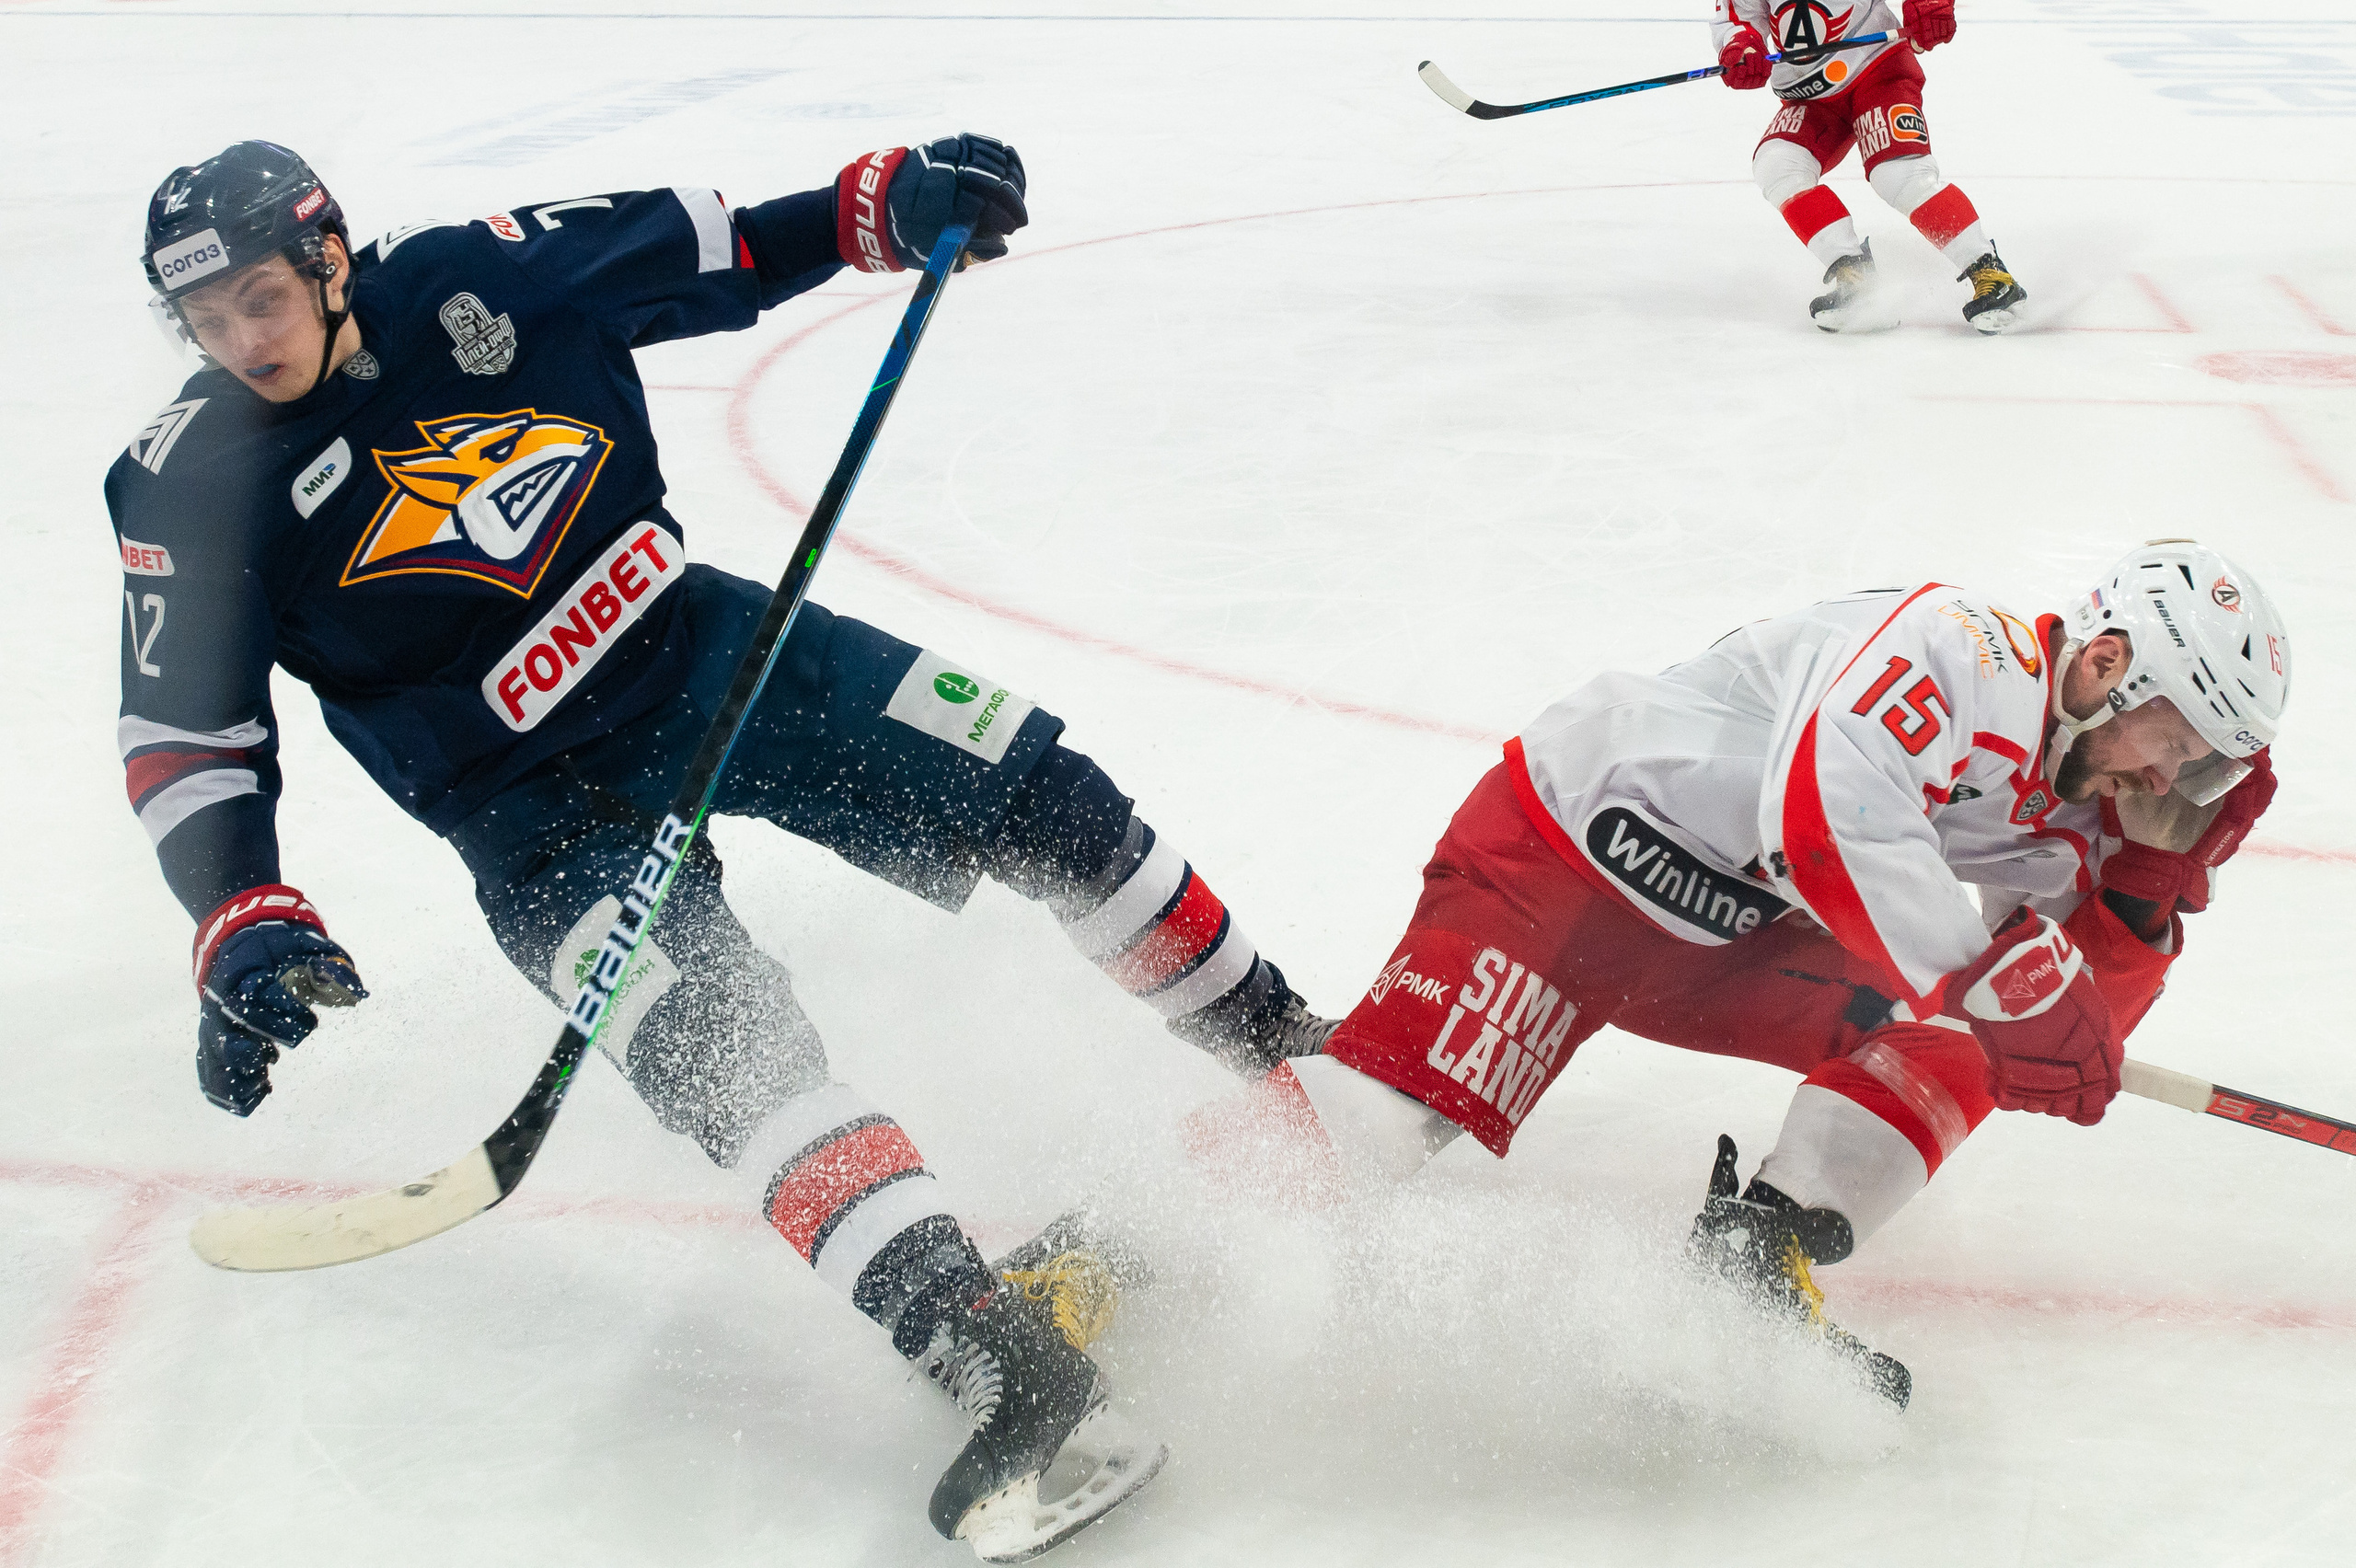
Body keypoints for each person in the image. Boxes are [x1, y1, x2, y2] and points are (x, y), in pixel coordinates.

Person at [112, 139, 1326, 1558]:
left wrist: (887, 206)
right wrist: (241, 917)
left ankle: (1290, 1053)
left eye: (259, 298)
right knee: (730, 1058)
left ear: (328, 258)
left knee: (1045, 796)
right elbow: (188, 743)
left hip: (700, 654)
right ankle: (989, 1346)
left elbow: (727, 246)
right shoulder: (186, 483)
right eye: (203, 322)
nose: (239, 343)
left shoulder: (482, 279)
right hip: (530, 817)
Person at [1236, 540, 2288, 1404]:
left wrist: (2138, 893)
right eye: (2179, 743)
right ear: (2110, 663)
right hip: (1569, 864)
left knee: (1974, 1043)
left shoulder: (2075, 804)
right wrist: (1994, 983)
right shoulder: (1965, 648)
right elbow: (1829, 812)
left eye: (2202, 770)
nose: (2170, 778)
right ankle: (1086, 1273)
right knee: (1382, 1122)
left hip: (1733, 943)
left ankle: (1753, 1260)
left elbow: (2065, 1042)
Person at [1711, 0, 2028, 333]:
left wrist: (1929, 6)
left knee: (1899, 174)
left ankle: (1990, 272)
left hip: (1878, 70)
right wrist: (1740, 46)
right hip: (1809, 93)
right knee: (1778, 163)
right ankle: (1856, 278)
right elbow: (1737, 18)